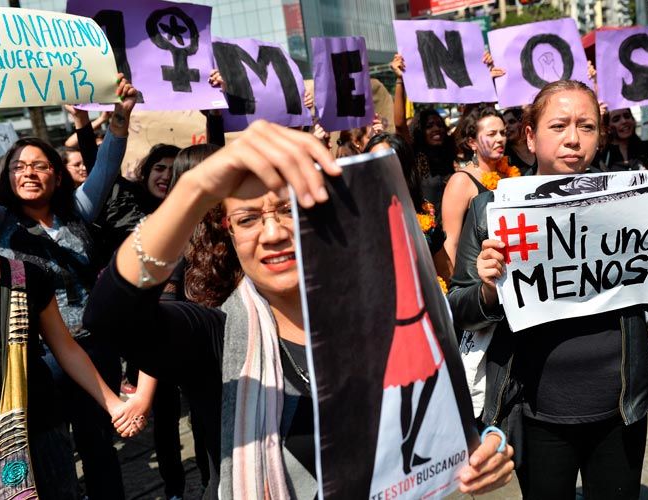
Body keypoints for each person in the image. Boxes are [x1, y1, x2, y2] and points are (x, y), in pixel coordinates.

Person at [84, 120, 515, 498]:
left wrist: (482, 448)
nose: (271, 233)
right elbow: (111, 317)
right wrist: (198, 187)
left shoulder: (391, 316)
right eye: (248, 219)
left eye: (288, 210)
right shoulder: (214, 339)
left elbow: (441, 422)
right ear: (229, 233)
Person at [448, 80, 648, 499]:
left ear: (600, 135)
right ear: (531, 136)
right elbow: (459, 308)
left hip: (619, 408)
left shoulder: (629, 198)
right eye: (559, 125)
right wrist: (488, 288)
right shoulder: (490, 209)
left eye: (587, 126)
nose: (573, 138)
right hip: (535, 413)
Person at [0, 68, 138, 499]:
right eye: (19, 166)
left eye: (41, 165)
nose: (30, 173)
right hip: (34, 356)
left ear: (57, 174)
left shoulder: (78, 212)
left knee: (98, 448)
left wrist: (120, 119)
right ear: (6, 177)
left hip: (91, 349)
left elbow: (107, 168)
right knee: (42, 454)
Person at [364, 132, 451, 283]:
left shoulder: (424, 215)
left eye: (387, 162)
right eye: (373, 163)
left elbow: (446, 273)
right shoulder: (357, 217)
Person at [441, 104, 517, 266]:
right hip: (476, 278)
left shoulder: (510, 174)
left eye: (502, 133)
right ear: (472, 143)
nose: (500, 139)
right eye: (491, 134)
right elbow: (451, 242)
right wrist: (456, 288)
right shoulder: (461, 181)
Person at [390, 54, 457, 212]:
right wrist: (400, 81)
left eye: (440, 125)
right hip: (427, 230)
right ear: (420, 131)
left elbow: (469, 119)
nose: (436, 129)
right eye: (429, 126)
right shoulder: (414, 154)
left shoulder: (449, 151)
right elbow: (399, 124)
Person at [502, 107, 535, 174]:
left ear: (523, 123)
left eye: (511, 122)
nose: (507, 127)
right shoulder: (504, 154)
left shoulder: (538, 146)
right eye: (504, 124)